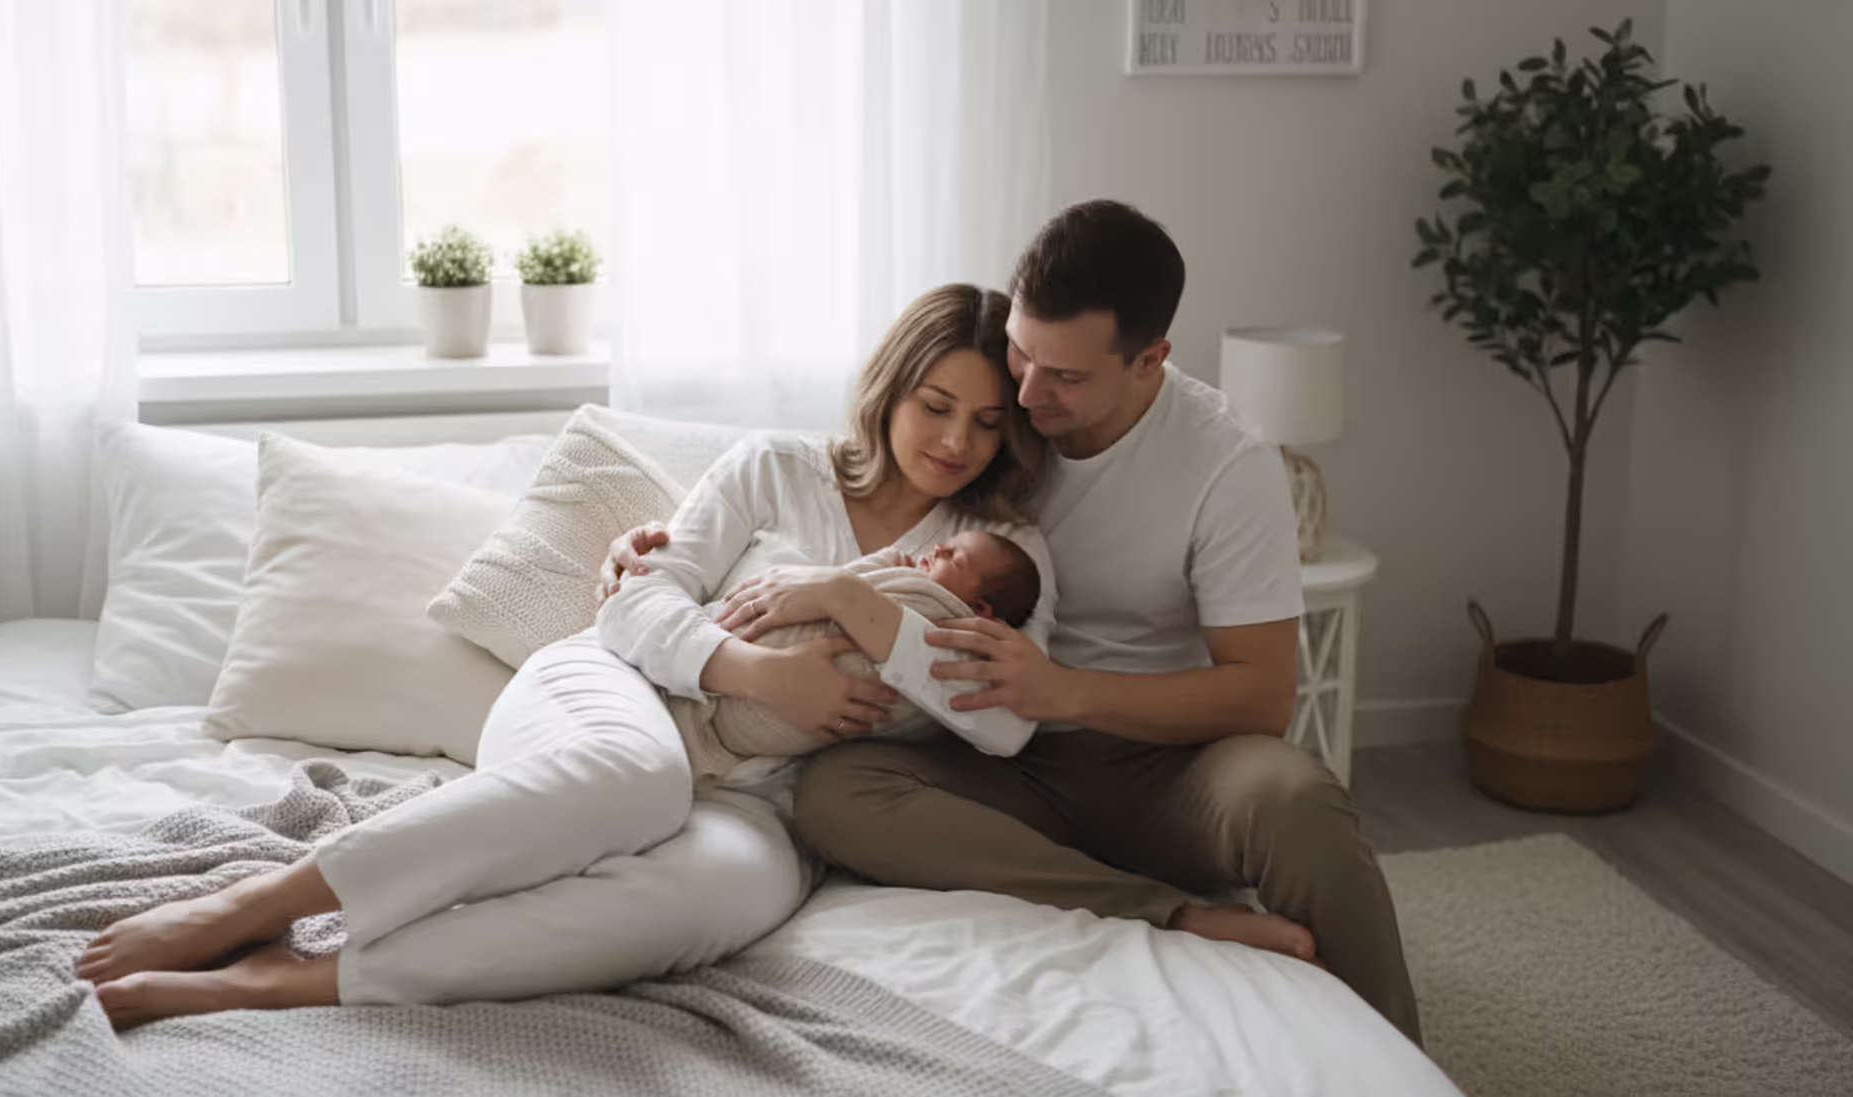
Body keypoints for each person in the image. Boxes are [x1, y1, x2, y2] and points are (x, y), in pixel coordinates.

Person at [73, 282, 1303, 1030]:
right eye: (936, 404)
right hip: (605, 700)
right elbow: (632, 603)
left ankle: (289, 981)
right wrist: (752, 671)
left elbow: (998, 726)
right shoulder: (774, 466)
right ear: (890, 389)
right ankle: (264, 901)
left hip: (764, 801)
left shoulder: (1006, 548)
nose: (956, 439)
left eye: (987, 420)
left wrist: (856, 610)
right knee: (639, 781)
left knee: (708, 900)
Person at [608, 201, 1423, 1044]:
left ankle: (1402, 1053)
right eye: (1022, 355)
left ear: (1150, 360)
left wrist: (1065, 690)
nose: (1027, 394)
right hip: (1002, 762)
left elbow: (1261, 698)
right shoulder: (994, 424)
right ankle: (1171, 915)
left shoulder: (1225, 463)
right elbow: (843, 472)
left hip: (1162, 767)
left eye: (1064, 376)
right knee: (841, 793)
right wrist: (641, 552)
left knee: (1294, 797)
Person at [679, 529, 1044, 780]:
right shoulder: (906, 591)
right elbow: (824, 586)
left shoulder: (944, 623)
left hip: (733, 692)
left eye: (954, 557)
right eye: (944, 544)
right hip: (715, 668)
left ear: (979, 608)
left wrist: (882, 564)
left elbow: (844, 580)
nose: (936, 549)